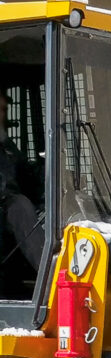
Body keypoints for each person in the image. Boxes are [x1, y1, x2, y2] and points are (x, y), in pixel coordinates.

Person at [0, 92, 43, 270]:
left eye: (3, 110)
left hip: (7, 206)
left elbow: (26, 177)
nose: (2, 115)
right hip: (7, 206)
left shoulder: (6, 146)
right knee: (21, 206)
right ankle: (49, 274)